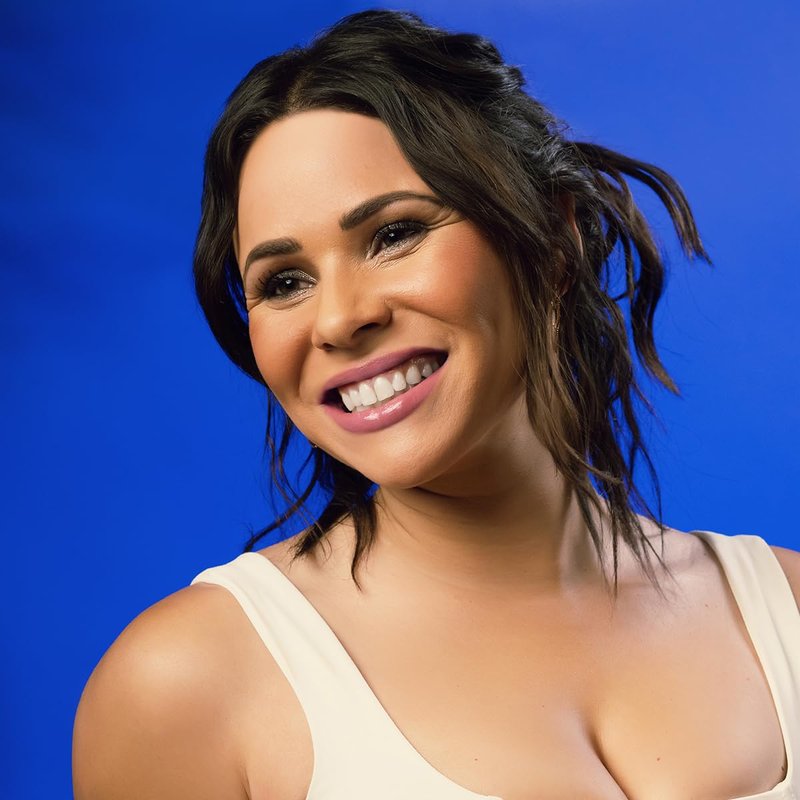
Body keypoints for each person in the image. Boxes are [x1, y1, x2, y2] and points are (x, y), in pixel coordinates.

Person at [72, 9, 800, 799]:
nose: (340, 318)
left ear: (554, 240)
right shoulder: (187, 687)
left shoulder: (786, 608)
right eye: (283, 282)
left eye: (393, 235)